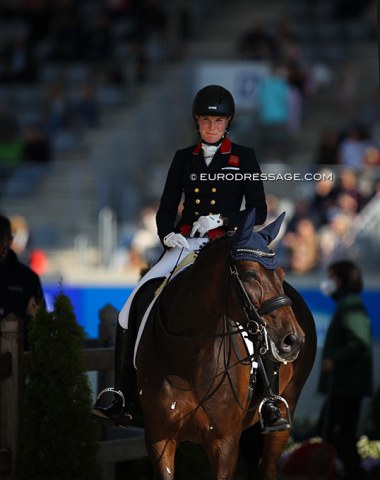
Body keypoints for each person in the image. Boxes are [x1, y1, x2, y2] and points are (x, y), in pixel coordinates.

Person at [92, 85, 289, 431]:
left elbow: (257, 209)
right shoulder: (184, 158)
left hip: (227, 246)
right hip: (186, 245)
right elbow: (167, 205)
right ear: (197, 122)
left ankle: (269, 398)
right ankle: (121, 391)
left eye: (217, 120)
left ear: (227, 122)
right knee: (131, 307)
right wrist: (167, 232)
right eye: (205, 120)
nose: (211, 126)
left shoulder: (243, 157)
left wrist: (225, 219)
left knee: (254, 310)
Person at [318, 260, 373, 479]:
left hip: (347, 386)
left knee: (333, 432)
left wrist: (334, 359)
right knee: (336, 432)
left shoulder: (350, 305)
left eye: (331, 277)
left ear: (342, 279)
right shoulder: (346, 304)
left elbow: (359, 343)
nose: (328, 283)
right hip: (344, 385)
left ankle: (354, 472)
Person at [0, 215, 45, 350]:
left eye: (2, 239)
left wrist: (29, 321)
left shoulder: (27, 278)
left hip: (20, 358)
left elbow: (40, 324)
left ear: (10, 240)